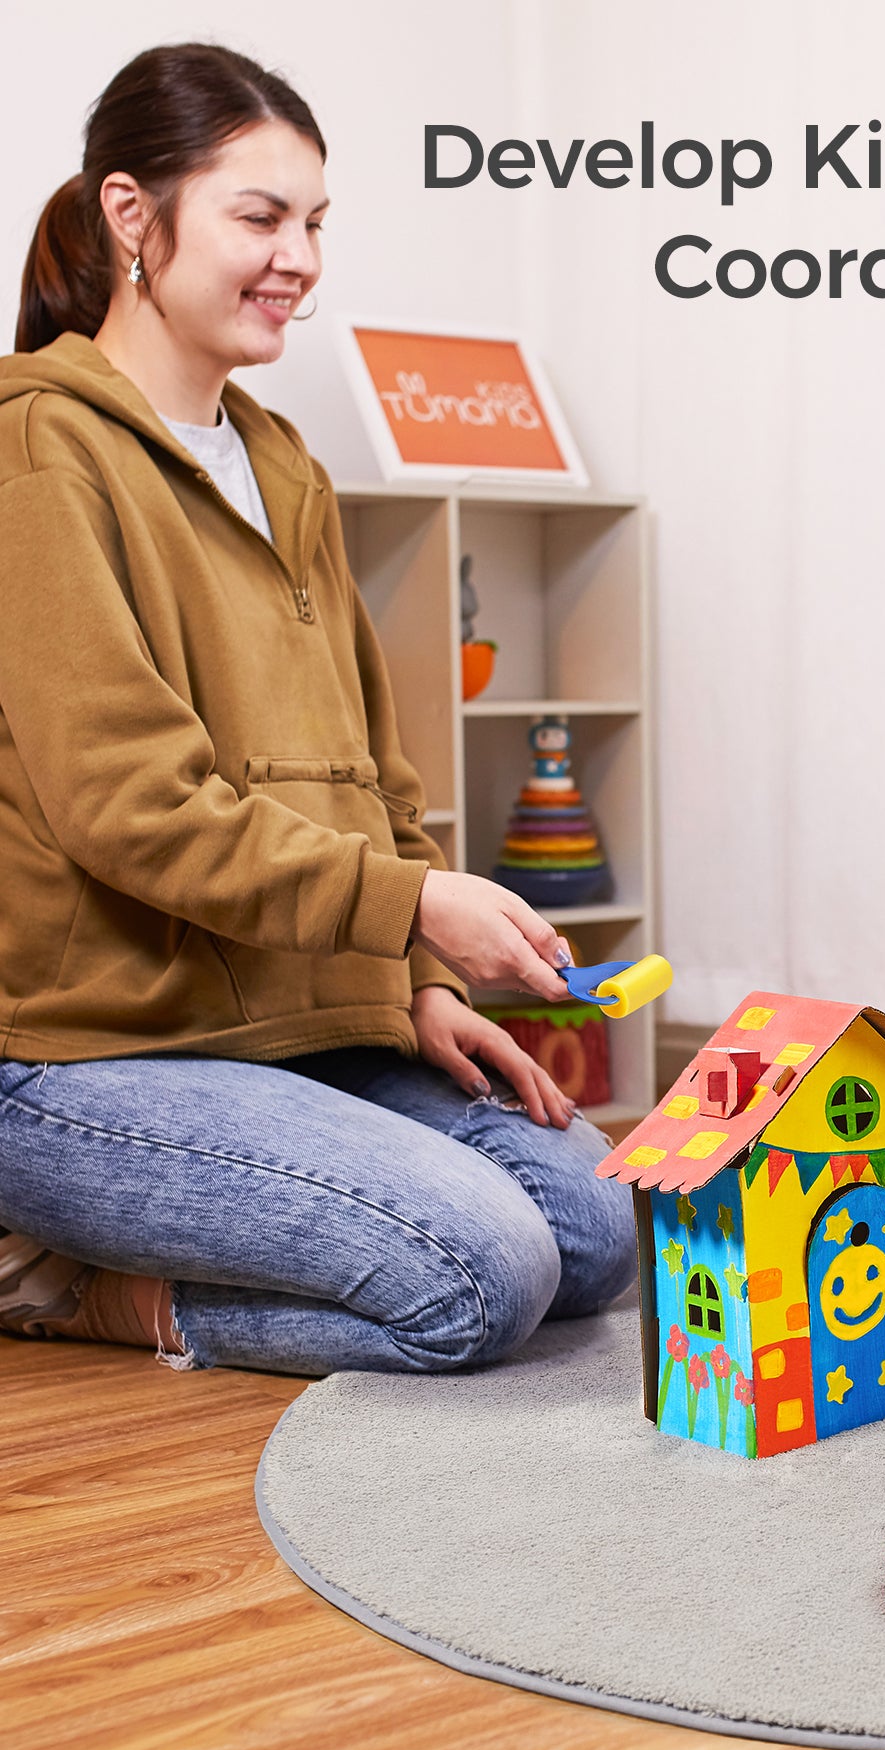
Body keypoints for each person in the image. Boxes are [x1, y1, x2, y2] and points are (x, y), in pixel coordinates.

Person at [0, 44, 635, 1375]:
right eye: (261, 216)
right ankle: (68, 1286)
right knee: (485, 1276)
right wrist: (412, 908)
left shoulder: (281, 459)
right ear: (134, 216)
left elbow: (375, 774)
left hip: (295, 1031)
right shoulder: (37, 453)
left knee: (599, 1235)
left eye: (316, 222)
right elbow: (133, 810)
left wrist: (409, 986)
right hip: (85, 1062)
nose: (300, 255)